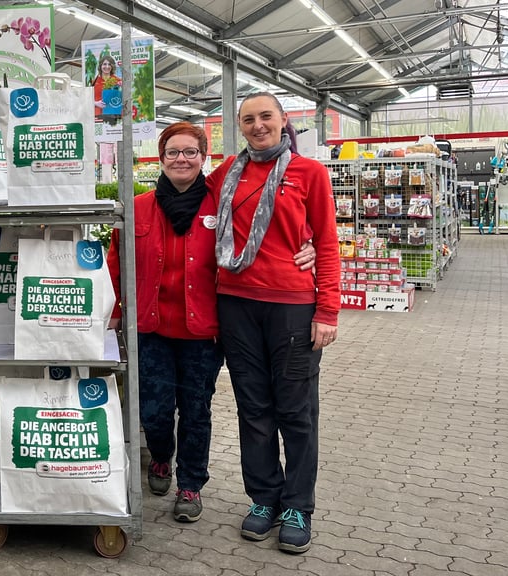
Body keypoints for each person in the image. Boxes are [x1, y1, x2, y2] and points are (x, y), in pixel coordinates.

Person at [105, 122, 314, 525]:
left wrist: (310, 244)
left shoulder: (223, 204)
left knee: (196, 411)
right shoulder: (138, 207)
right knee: (154, 410)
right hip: (150, 328)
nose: (181, 159)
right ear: (161, 158)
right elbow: (116, 263)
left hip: (201, 332)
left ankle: (191, 485)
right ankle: (161, 455)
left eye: (190, 152)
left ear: (204, 158)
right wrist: (113, 313)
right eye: (173, 152)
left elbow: (272, 221)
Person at [205, 92, 339, 554]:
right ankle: (264, 497)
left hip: (291, 306)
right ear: (239, 126)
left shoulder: (309, 172)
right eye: (248, 119)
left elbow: (327, 242)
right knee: (253, 407)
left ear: (283, 120)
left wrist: (327, 310)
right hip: (236, 305)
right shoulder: (227, 172)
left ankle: (298, 505)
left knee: (296, 411)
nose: (258, 125)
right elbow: (187, 200)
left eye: (266, 116)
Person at [92, 53, 121, 118]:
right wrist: (95, 103)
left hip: (113, 115)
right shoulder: (94, 82)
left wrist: (120, 88)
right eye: (104, 64)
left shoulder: (118, 81)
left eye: (109, 64)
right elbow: (86, 99)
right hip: (97, 115)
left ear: (112, 66)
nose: (107, 67)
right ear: (100, 66)